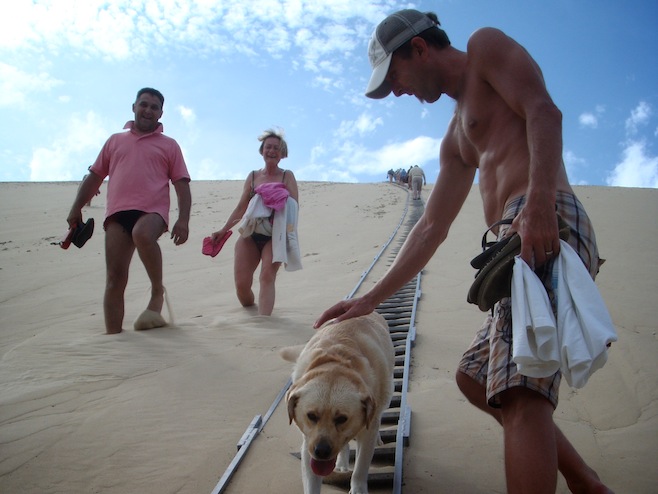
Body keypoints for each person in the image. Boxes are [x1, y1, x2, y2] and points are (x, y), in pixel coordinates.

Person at [314, 9, 612, 494]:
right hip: (507, 244)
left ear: (419, 48)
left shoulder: (485, 47)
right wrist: (370, 300)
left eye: (395, 78)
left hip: (543, 217)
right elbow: (431, 226)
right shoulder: (454, 138)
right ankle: (586, 481)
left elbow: (543, 111)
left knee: (520, 394)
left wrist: (537, 203)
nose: (398, 92)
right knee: (475, 379)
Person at [66, 87, 191, 335]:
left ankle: (157, 291)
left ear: (161, 113)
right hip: (116, 214)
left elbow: (182, 185)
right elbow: (94, 177)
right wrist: (75, 209)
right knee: (114, 279)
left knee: (142, 234)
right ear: (133, 107)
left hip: (152, 212)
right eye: (143, 104)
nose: (148, 110)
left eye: (154, 107)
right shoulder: (115, 141)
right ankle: (113, 337)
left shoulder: (169, 145)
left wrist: (183, 220)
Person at [209, 129, 300, 316]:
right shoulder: (252, 177)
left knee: (267, 276)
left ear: (282, 154)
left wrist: (278, 198)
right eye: (268, 147)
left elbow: (294, 207)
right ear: (262, 150)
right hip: (250, 235)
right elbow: (241, 207)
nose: (272, 151)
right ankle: (250, 310)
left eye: (276, 148)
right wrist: (223, 229)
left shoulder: (287, 176)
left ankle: (263, 325)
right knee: (242, 286)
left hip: (274, 236)